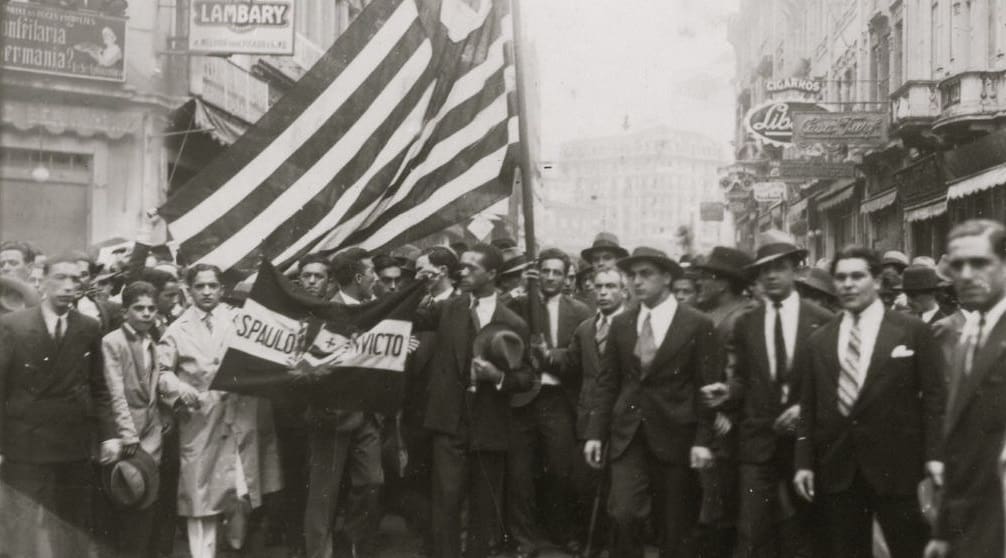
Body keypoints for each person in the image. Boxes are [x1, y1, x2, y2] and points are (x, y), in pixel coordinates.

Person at [794, 246, 944, 558]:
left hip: (898, 468)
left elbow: (935, 398)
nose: (848, 284)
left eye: (857, 276)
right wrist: (803, 463)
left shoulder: (911, 331)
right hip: (839, 469)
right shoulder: (818, 340)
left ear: (876, 281)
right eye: (840, 277)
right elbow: (809, 407)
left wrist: (935, 455)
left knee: (910, 548)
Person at [703, 237, 832, 558]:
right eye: (765, 271)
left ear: (795, 271)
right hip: (757, 441)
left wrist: (804, 408)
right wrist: (727, 392)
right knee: (752, 530)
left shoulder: (822, 320)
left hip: (807, 443)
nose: (772, 276)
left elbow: (832, 382)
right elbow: (743, 378)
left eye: (781, 268)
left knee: (805, 529)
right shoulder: (747, 323)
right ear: (756, 276)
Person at [585, 246, 716, 558]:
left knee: (674, 527)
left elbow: (707, 387)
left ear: (667, 277)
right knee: (623, 515)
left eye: (646, 274)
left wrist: (703, 440)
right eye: (632, 275)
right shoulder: (623, 324)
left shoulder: (696, 324)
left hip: (675, 435)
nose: (637, 282)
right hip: (628, 436)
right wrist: (595, 433)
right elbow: (608, 384)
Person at [416, 243, 534, 558]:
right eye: (461, 266)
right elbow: (406, 314)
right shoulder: (447, 309)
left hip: (489, 426)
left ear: (493, 274)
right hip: (448, 423)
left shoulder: (514, 322)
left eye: (471, 267)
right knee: (446, 505)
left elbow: (527, 378)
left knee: (484, 510)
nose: (462, 271)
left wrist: (497, 376)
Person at [158, 263, 283, 558]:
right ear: (188, 291)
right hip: (202, 422)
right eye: (200, 286)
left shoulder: (239, 320)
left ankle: (234, 548)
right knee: (200, 502)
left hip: (240, 418)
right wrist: (179, 388)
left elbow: (269, 343)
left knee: (242, 493)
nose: (206, 292)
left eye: (212, 286)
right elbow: (161, 371)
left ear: (221, 289)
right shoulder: (177, 329)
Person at [0, 253, 117, 557]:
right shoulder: (13, 326)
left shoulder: (88, 327)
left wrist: (109, 434)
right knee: (21, 530)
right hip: (24, 444)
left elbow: (98, 385)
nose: (68, 286)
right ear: (41, 279)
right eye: (60, 278)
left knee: (71, 527)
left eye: (75, 279)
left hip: (72, 444)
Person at [924, 219, 1006, 558]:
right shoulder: (967, 337)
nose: (967, 274)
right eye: (957, 265)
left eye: (980, 263)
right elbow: (957, 443)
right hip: (973, 527)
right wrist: (944, 531)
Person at [508, 248, 593, 556]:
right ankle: (524, 539)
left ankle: (562, 531)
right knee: (519, 472)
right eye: (545, 271)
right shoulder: (519, 304)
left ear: (566, 276)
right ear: (537, 273)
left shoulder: (580, 312)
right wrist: (520, 289)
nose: (551, 277)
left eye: (557, 272)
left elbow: (578, 358)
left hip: (558, 398)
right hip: (523, 397)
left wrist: (549, 356)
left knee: (560, 470)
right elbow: (499, 325)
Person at [304, 249, 383, 558]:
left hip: (368, 415)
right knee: (323, 496)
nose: (376, 277)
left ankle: (354, 550)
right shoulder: (323, 311)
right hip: (332, 416)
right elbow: (309, 367)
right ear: (359, 277)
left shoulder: (377, 309)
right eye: (372, 271)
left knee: (371, 483)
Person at [550, 266, 627, 557]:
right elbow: (570, 364)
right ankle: (586, 540)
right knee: (583, 484)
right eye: (599, 287)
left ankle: (611, 544)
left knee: (619, 491)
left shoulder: (634, 326)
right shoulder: (585, 329)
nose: (604, 292)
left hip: (623, 419)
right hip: (588, 419)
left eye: (610, 286)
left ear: (624, 291)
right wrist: (546, 354)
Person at [691, 246, 756, 558]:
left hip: (725, 429)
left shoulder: (737, 318)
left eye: (708, 276)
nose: (700, 281)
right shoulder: (720, 314)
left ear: (725, 283)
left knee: (717, 511)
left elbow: (736, 375)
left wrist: (722, 413)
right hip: (717, 426)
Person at [101, 280, 166, 558]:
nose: (146, 314)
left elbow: (154, 388)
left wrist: (162, 419)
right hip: (126, 434)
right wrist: (127, 433)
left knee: (147, 501)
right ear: (125, 310)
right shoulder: (112, 341)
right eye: (139, 308)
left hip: (152, 434)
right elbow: (114, 390)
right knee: (125, 498)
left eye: (151, 308)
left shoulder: (152, 341)